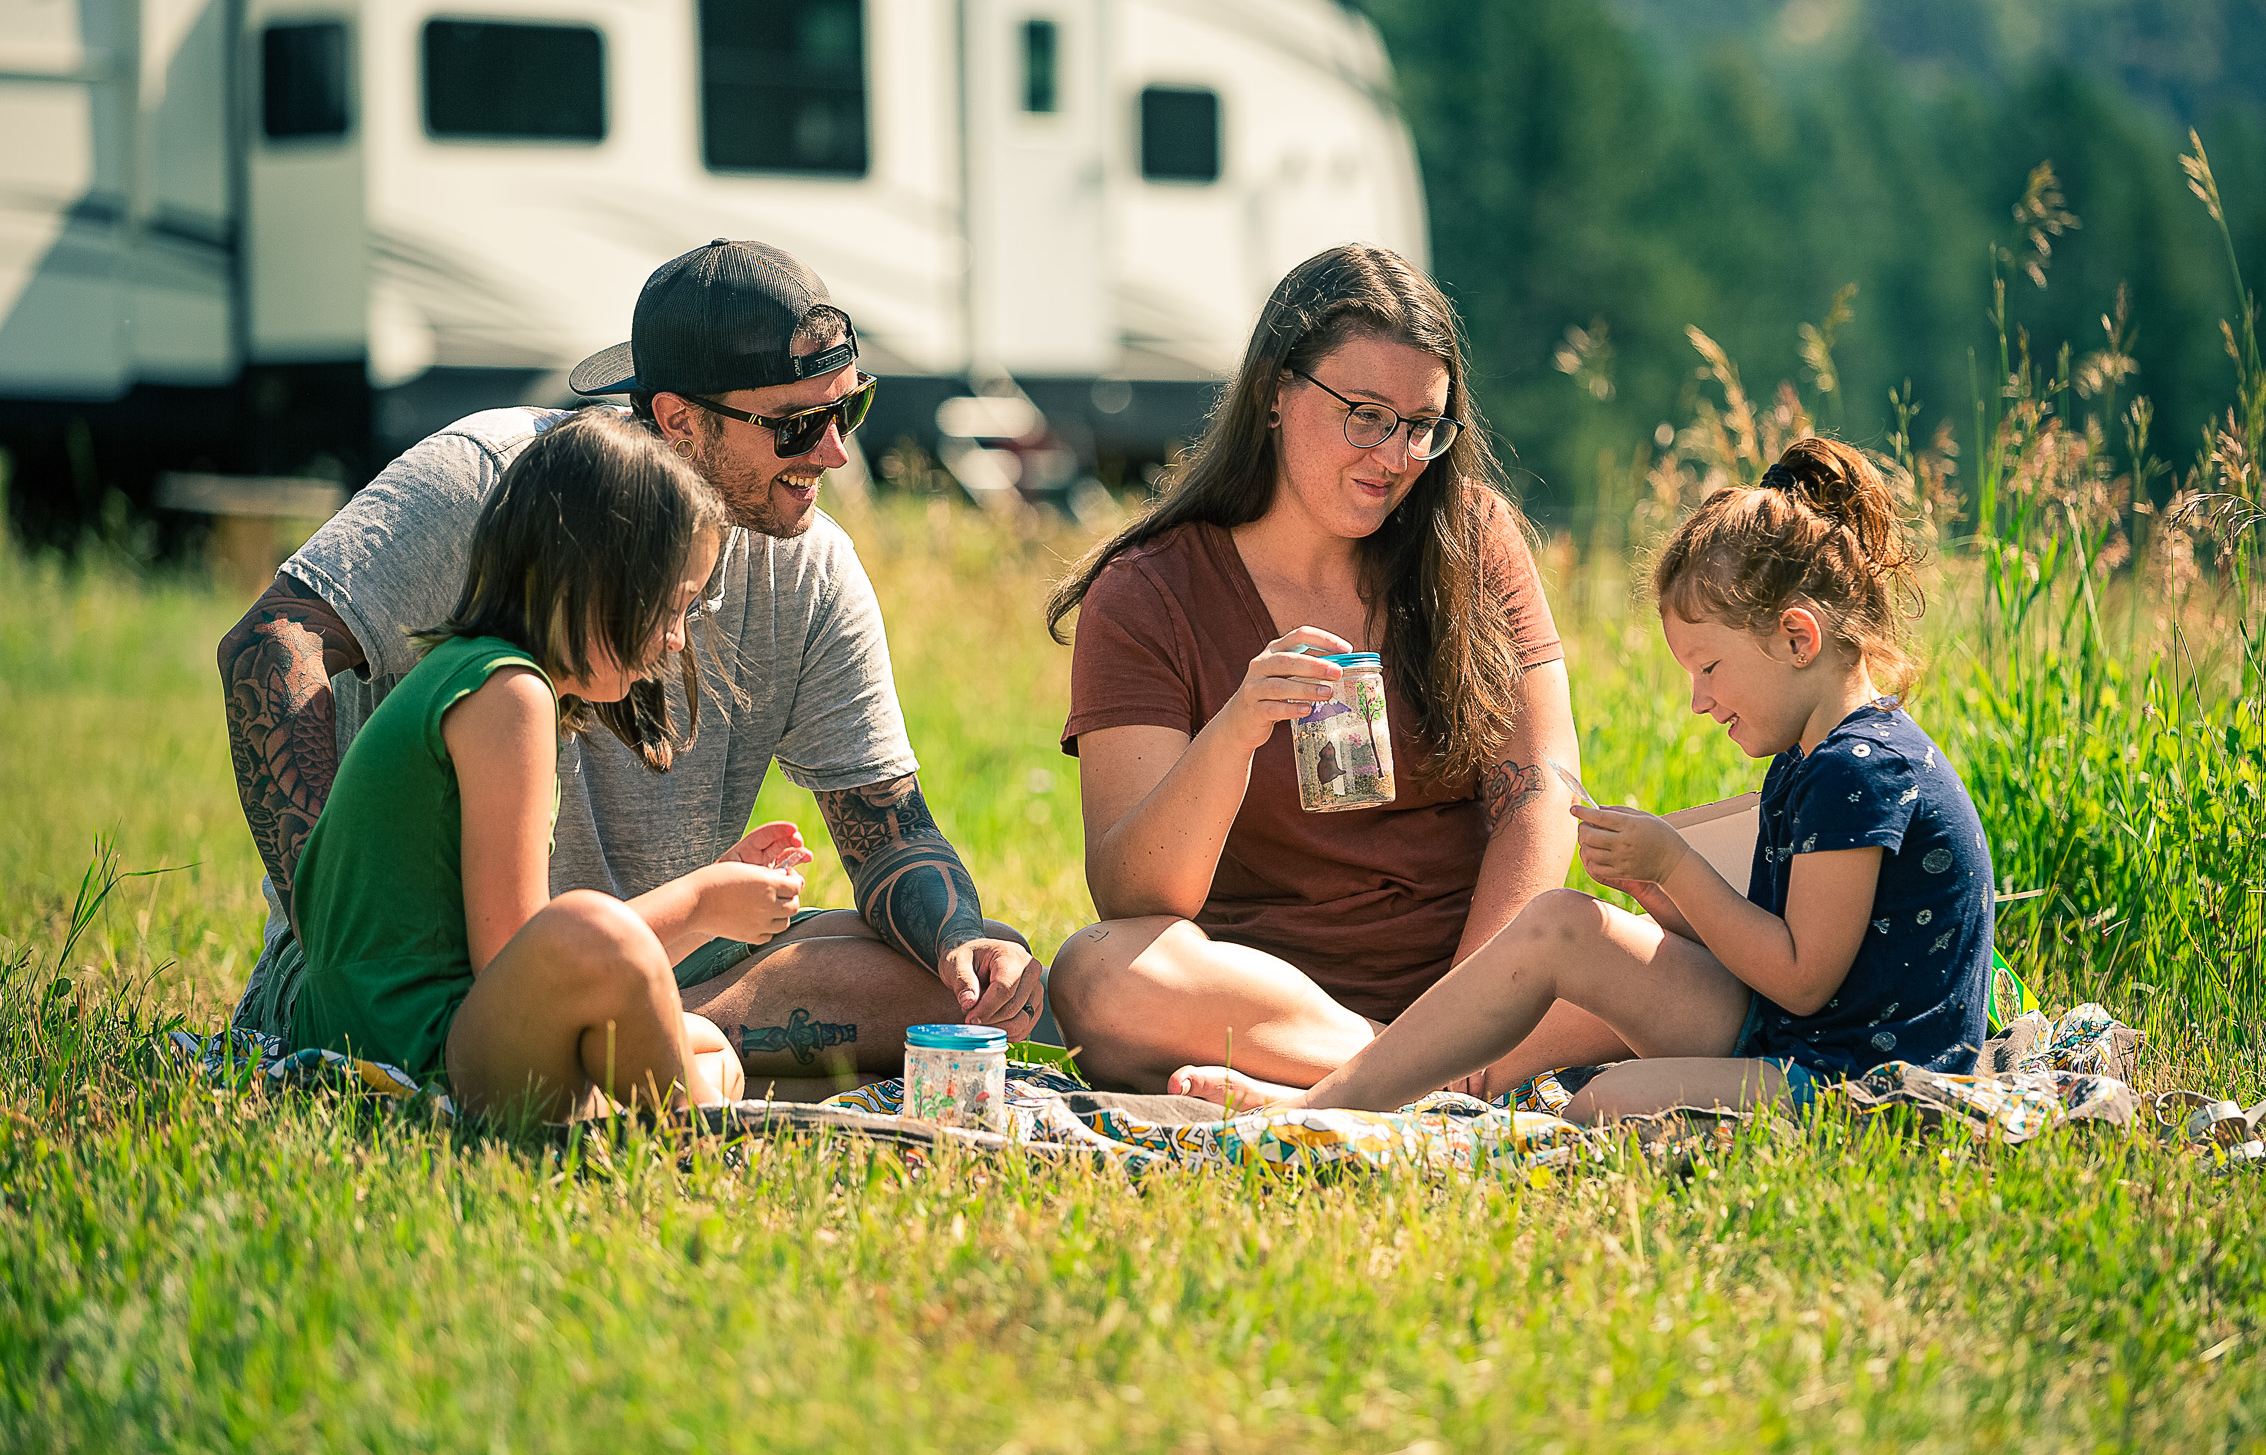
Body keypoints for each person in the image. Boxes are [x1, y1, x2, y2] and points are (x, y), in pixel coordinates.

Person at [226, 239, 1045, 1088]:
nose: (835, 451)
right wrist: (331, 930)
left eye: (852, 409)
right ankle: (633, 1046)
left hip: (649, 958)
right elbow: (268, 645)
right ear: (681, 417)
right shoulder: (512, 487)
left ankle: (642, 1036)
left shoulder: (810, 563)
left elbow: (889, 828)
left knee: (956, 1003)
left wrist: (962, 938)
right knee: (611, 967)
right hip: (431, 995)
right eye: (798, 424)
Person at [1173, 435, 1998, 1120]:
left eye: (1709, 667)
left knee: (1604, 1104)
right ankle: (1344, 1094)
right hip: (1804, 1035)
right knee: (1566, 923)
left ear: (1797, 637)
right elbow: (1775, 950)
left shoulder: (1862, 773)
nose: (1699, 699)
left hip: (1862, 1080)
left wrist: (1674, 863)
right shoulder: (1816, 755)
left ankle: (1331, 1100)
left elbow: (1801, 977)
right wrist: (1656, 889)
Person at [1042, 244, 1629, 1094]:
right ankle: (1413, 1078)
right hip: (1265, 999)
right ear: (1275, 394)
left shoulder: (1471, 538)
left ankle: (1357, 1086)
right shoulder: (1147, 591)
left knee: (1692, 980)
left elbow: (1542, 790)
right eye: (1364, 414)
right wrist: (1236, 730)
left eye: (1421, 425)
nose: (1394, 456)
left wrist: (1468, 1008)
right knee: (1097, 977)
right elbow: (1135, 894)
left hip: (1480, 975)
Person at [272, 410, 804, 1118]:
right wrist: (704, 901)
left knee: (704, 1043)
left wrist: (714, 899)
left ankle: (673, 1110)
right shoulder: (508, 692)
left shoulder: (491, 678)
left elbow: (544, 965)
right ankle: (706, 1138)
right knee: (596, 936)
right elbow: (521, 956)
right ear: (593, 578)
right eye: (671, 607)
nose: (678, 642)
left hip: (434, 1038)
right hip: (406, 1058)